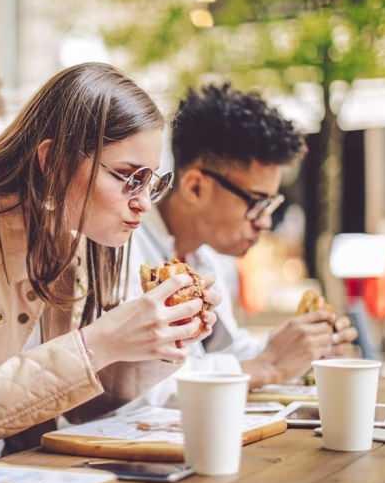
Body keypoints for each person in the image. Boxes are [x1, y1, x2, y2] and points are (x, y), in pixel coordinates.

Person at [0, 62, 220, 467]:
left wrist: (155, 343)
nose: (143, 201)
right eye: (127, 177)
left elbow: (81, 410)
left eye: (151, 181)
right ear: (52, 161)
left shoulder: (77, 231)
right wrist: (96, 344)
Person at [128, 84, 358, 396]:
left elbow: (228, 351)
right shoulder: (126, 252)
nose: (264, 222)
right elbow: (134, 386)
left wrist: (304, 345)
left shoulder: (206, 259)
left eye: (270, 206)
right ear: (196, 187)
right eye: (256, 203)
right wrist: (268, 364)